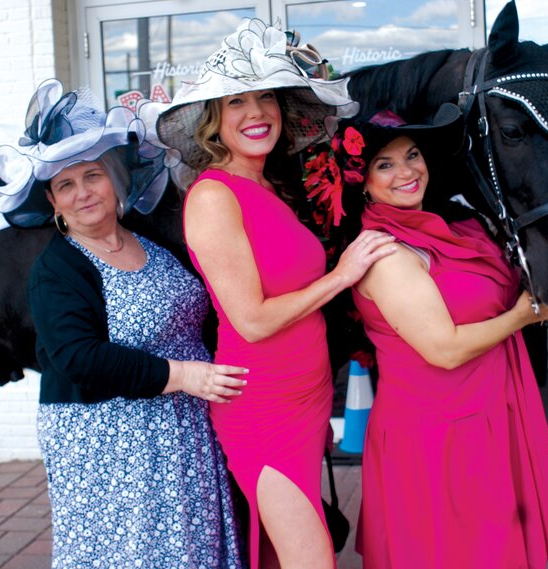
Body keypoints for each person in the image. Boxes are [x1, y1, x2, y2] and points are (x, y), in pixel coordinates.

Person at [156, 20, 395, 569]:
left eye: (266, 97)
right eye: (237, 101)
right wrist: (343, 274)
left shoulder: (269, 187)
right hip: (263, 407)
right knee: (312, 560)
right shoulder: (215, 197)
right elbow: (254, 321)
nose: (255, 112)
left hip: (305, 398)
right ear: (214, 120)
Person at [0, 79, 246, 568]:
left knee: (189, 549)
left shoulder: (151, 243)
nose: (83, 193)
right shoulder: (59, 268)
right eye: (66, 185)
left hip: (181, 430)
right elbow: (75, 357)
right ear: (53, 203)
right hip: (108, 442)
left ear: (113, 178)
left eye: (91, 177)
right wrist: (184, 375)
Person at [306, 105, 548, 568]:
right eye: (385, 164)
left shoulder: (453, 225)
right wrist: (526, 314)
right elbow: (445, 349)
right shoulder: (385, 255)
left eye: (412, 155)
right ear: (362, 180)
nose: (407, 171)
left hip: (486, 413)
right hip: (438, 435)